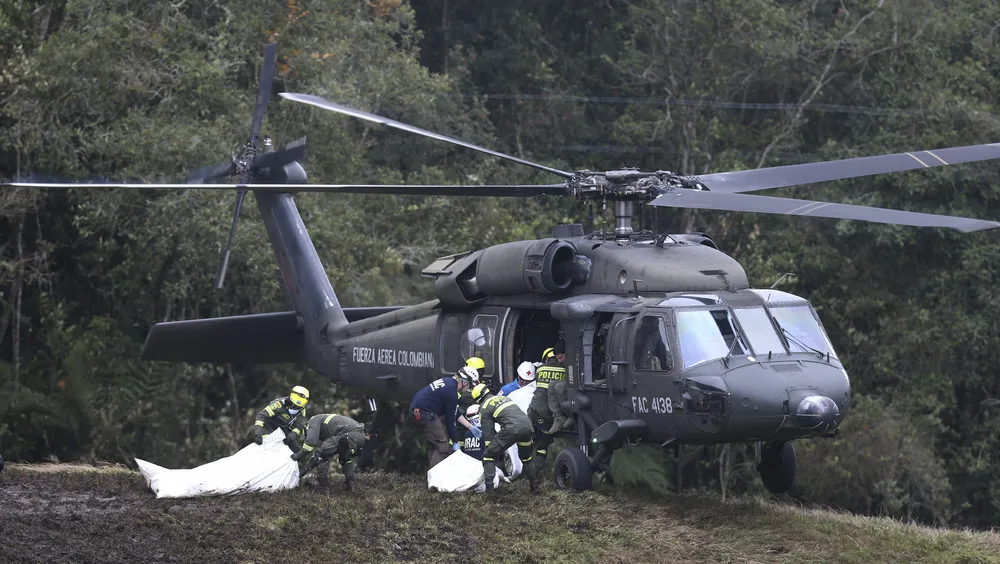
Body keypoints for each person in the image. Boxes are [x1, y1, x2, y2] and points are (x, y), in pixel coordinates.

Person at [470, 383, 540, 494]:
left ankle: (489, 491)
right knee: (526, 458)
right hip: (527, 426)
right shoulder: (503, 398)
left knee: (488, 455)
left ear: (478, 399)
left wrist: (491, 449)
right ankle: (535, 487)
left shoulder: (484, 407)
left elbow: (489, 436)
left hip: (512, 429)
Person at [409, 366, 477, 469]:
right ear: (465, 382)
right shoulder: (451, 393)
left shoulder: (447, 382)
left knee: (434, 445)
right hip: (426, 414)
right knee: (443, 447)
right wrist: (455, 441)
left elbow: (454, 412)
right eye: (470, 387)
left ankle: (431, 476)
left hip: (415, 411)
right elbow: (450, 421)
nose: (468, 390)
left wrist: (469, 426)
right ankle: (436, 480)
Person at [291, 413, 367, 493]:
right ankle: (351, 484)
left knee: (320, 455)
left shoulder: (313, 421)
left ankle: (323, 487)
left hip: (348, 435)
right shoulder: (325, 422)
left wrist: (297, 456)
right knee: (346, 459)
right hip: (361, 437)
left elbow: (311, 442)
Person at [527, 343, 566, 472]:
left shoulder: (540, 370)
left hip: (533, 413)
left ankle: (532, 465)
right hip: (550, 416)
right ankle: (539, 465)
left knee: (535, 437)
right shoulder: (564, 370)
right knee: (544, 438)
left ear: (546, 359)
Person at [250, 385, 310, 450]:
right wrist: (258, 434)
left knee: (296, 450)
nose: (295, 409)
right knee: (267, 446)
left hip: (284, 429)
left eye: (298, 407)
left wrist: (293, 435)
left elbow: (299, 425)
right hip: (268, 427)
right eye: (294, 406)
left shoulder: (302, 410)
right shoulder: (278, 404)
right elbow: (261, 416)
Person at [544, 341, 573, 433]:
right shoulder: (565, 362)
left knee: (559, 387)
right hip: (571, 380)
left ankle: (571, 415)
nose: (560, 361)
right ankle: (559, 417)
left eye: (561, 357)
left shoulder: (575, 359)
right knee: (552, 385)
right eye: (557, 359)